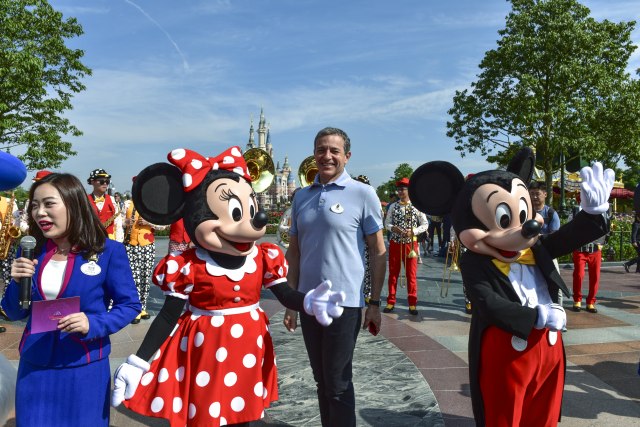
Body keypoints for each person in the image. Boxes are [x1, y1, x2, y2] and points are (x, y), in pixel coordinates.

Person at [111, 146, 344, 427]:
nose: (254, 221)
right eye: (236, 212)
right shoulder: (189, 265)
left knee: (240, 412)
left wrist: (307, 301)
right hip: (205, 349)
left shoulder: (262, 257)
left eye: (251, 210)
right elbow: (169, 314)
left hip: (248, 347)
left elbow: (284, 293)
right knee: (206, 411)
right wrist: (138, 362)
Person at [408, 149, 612, 427]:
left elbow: (568, 236)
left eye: (523, 216)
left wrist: (592, 214)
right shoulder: (475, 262)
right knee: (504, 415)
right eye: (505, 220)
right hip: (507, 350)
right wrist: (536, 316)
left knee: (544, 414)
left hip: (549, 349)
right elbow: (487, 303)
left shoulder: (536, 248)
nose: (523, 229)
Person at [1, 173, 140, 427]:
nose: (39, 213)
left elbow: (129, 305)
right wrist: (17, 282)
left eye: (49, 204)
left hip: (84, 365)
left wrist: (93, 324)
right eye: (35, 205)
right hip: (35, 364)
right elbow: (14, 312)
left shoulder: (108, 251)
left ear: (74, 204)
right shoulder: (31, 250)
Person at [283, 127, 387, 426]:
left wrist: (374, 302)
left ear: (347, 156)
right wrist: (291, 302)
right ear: (314, 154)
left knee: (338, 382)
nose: (326, 156)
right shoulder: (302, 197)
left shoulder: (362, 193)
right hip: (309, 302)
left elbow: (378, 251)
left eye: (334, 151)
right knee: (321, 380)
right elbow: (294, 253)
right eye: (321, 150)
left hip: (345, 303)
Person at [123, 177, 166, 324]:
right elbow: (117, 222)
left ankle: (142, 307)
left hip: (147, 245)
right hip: (130, 244)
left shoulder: (152, 204)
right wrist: (125, 223)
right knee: (133, 278)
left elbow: (163, 225)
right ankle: (134, 309)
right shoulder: (127, 204)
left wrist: (148, 222)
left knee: (145, 277)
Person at [383, 177, 428, 315]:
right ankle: (391, 301)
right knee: (393, 274)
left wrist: (414, 231)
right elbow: (386, 223)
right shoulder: (393, 206)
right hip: (395, 243)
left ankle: (412, 303)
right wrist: (392, 228)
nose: (400, 192)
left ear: (409, 190)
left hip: (411, 244)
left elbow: (425, 224)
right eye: (399, 190)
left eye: (403, 189)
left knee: (411, 275)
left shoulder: (416, 206)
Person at [572, 218, 607, 313]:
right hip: (580, 250)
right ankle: (577, 299)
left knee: (595, 276)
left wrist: (603, 242)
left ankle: (591, 301)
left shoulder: (601, 215)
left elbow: (606, 228)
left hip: (595, 250)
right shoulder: (577, 213)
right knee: (579, 275)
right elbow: (571, 229)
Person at [87, 169, 118, 240]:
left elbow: (117, 223)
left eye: (107, 181)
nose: (105, 183)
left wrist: (119, 242)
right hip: (91, 240)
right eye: (101, 181)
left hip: (110, 240)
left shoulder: (112, 200)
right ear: (92, 182)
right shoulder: (85, 200)